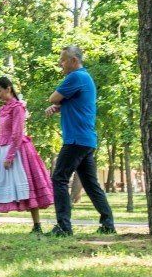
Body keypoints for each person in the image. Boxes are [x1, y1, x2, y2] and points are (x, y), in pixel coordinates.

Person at [43, 45, 115, 236]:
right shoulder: (85, 78)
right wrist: (60, 106)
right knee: (91, 184)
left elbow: (53, 98)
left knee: (59, 178)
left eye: (63, 60)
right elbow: (70, 102)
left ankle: (64, 227)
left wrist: (57, 103)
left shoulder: (75, 77)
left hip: (76, 140)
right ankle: (108, 223)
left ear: (74, 61)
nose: (60, 64)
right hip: (86, 140)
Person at [0, 76, 55, 234]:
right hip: (1, 147)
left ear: (8, 89)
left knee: (29, 186)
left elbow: (17, 133)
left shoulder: (18, 107)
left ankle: (37, 226)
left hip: (17, 150)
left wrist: (10, 156)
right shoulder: (3, 108)